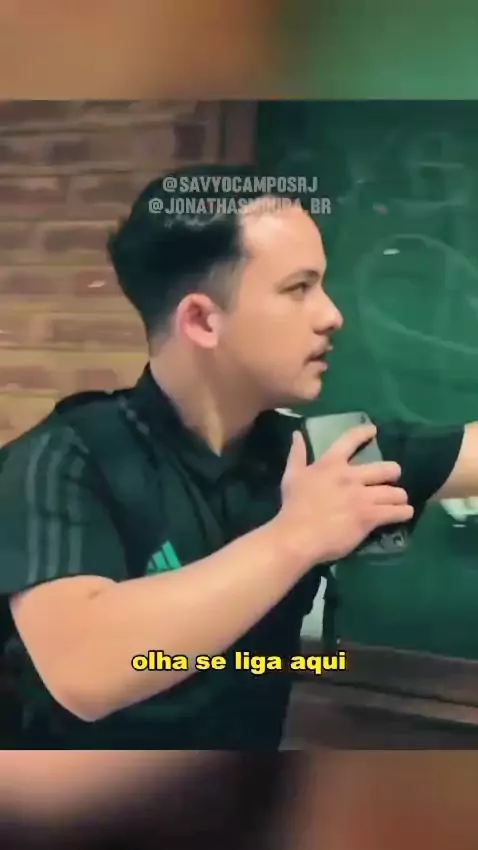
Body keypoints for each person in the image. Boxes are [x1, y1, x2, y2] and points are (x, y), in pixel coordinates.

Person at [0, 164, 476, 749]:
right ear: (203, 319)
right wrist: (296, 536)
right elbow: (86, 669)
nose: (332, 314)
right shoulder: (62, 458)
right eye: (298, 288)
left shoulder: (320, 456)